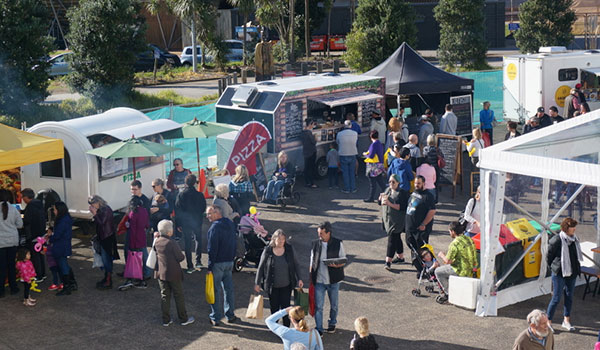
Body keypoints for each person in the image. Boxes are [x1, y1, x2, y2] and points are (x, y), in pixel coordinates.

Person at [255, 229, 304, 327]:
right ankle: (275, 328)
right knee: (274, 308)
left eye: (283, 239)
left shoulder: (289, 249)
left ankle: (286, 327)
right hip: (272, 286)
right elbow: (260, 267)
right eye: (279, 239)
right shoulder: (268, 250)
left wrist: (300, 278)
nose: (281, 241)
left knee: (286, 308)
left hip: (286, 285)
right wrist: (257, 283)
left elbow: (296, 264)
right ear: (274, 239)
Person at [153, 219, 195, 327]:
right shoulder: (171, 243)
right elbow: (180, 257)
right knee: (178, 295)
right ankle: (183, 318)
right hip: (174, 273)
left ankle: (166, 320)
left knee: (164, 295)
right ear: (169, 232)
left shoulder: (157, 241)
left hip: (161, 273)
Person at [309, 221, 346, 335]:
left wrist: (336, 265)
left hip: (333, 281)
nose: (319, 236)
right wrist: (311, 277)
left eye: (321, 233)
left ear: (328, 233)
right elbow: (312, 261)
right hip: (319, 281)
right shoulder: (315, 244)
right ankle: (319, 328)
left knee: (334, 305)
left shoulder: (338, 243)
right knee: (318, 307)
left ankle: (332, 323)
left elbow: (343, 260)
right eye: (318, 233)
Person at [546, 217, 582, 332]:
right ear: (566, 228)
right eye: (572, 227)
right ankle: (548, 321)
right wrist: (553, 268)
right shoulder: (557, 239)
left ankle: (566, 320)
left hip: (572, 272)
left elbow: (576, 256)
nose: (574, 229)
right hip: (559, 272)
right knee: (556, 298)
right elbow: (548, 256)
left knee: (569, 296)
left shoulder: (575, 239)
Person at [206, 205, 239, 326]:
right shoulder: (230, 223)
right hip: (229, 262)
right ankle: (230, 314)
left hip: (218, 264)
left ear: (217, 213)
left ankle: (215, 317)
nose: (208, 216)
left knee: (215, 290)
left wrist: (209, 267)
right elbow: (235, 241)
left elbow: (212, 250)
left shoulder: (214, 228)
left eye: (210, 213)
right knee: (228, 289)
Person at [435, 221, 477, 302]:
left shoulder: (454, 243)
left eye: (450, 231)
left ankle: (448, 293)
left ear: (453, 232)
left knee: (438, 271)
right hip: (471, 267)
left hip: (461, 269)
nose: (449, 233)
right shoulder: (468, 239)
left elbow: (447, 261)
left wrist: (441, 255)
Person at [175, 174, 207, 273]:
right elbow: (203, 208)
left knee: (187, 242)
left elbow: (177, 210)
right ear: (195, 183)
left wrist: (178, 224)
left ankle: (190, 265)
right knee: (198, 239)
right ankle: (198, 260)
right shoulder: (200, 195)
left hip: (185, 222)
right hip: (197, 220)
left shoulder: (181, 195)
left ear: (185, 182)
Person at [119, 196, 150, 290]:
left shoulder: (133, 213)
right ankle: (144, 276)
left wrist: (131, 245)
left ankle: (137, 279)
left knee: (135, 261)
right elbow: (147, 225)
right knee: (143, 258)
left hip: (135, 241)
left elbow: (132, 231)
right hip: (142, 239)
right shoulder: (144, 211)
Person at [89, 195, 119, 290]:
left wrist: (95, 214)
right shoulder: (103, 209)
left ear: (98, 202)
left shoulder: (106, 210)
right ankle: (107, 277)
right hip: (103, 236)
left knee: (106, 259)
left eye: (93, 204)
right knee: (105, 258)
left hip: (107, 237)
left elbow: (102, 223)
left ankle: (108, 280)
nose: (92, 206)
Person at [47, 201, 76, 296]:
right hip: (64, 246)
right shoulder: (66, 218)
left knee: (63, 266)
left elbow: (57, 235)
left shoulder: (62, 220)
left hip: (60, 247)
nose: (54, 211)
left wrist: (49, 238)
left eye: (55, 209)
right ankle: (72, 284)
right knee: (65, 265)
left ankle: (67, 286)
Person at [380, 174, 407, 270]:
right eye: (390, 182)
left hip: (397, 221)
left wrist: (389, 204)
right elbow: (382, 203)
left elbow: (402, 207)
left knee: (391, 240)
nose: (391, 183)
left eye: (393, 182)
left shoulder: (402, 193)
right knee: (397, 238)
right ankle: (400, 257)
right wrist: (380, 200)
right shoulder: (387, 190)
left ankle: (388, 261)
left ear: (398, 183)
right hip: (388, 220)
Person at [0, 189, 23, 298]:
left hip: (0, 243)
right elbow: (20, 225)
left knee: (1, 267)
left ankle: (1, 291)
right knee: (11, 265)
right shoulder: (14, 210)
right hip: (12, 241)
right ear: (9, 198)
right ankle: (13, 288)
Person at [21, 188, 46, 282]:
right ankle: (42, 274)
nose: (22, 199)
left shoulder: (31, 206)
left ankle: (38, 275)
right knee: (40, 255)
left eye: (22, 197)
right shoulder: (38, 204)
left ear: (26, 197)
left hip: (33, 235)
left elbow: (27, 220)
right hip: (40, 234)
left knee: (35, 256)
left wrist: (22, 218)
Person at [405, 176, 436, 250]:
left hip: (420, 229)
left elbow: (432, 211)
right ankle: (415, 261)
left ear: (423, 184)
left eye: (419, 183)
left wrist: (423, 224)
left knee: (421, 249)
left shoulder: (428, 196)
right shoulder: (414, 192)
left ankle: (423, 261)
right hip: (411, 227)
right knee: (410, 244)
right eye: (415, 183)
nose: (416, 185)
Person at [363, 130, 386, 203]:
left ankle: (371, 197)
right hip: (379, 165)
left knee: (372, 183)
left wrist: (365, 154)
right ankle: (387, 193)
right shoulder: (379, 143)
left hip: (373, 166)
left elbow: (371, 155)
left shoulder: (373, 144)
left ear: (370, 136)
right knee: (380, 181)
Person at [336, 120, 359, 194]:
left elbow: (337, 142)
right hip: (352, 153)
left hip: (343, 154)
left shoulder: (339, 134)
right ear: (351, 126)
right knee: (352, 172)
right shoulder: (355, 133)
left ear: (344, 126)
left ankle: (347, 188)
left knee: (345, 172)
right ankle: (353, 188)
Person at [301, 119, 318, 188]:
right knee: (311, 168)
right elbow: (314, 142)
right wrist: (315, 137)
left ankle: (307, 182)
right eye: (313, 124)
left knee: (306, 167)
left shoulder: (302, 132)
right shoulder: (309, 133)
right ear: (310, 124)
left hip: (305, 151)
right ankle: (311, 183)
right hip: (311, 152)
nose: (313, 126)